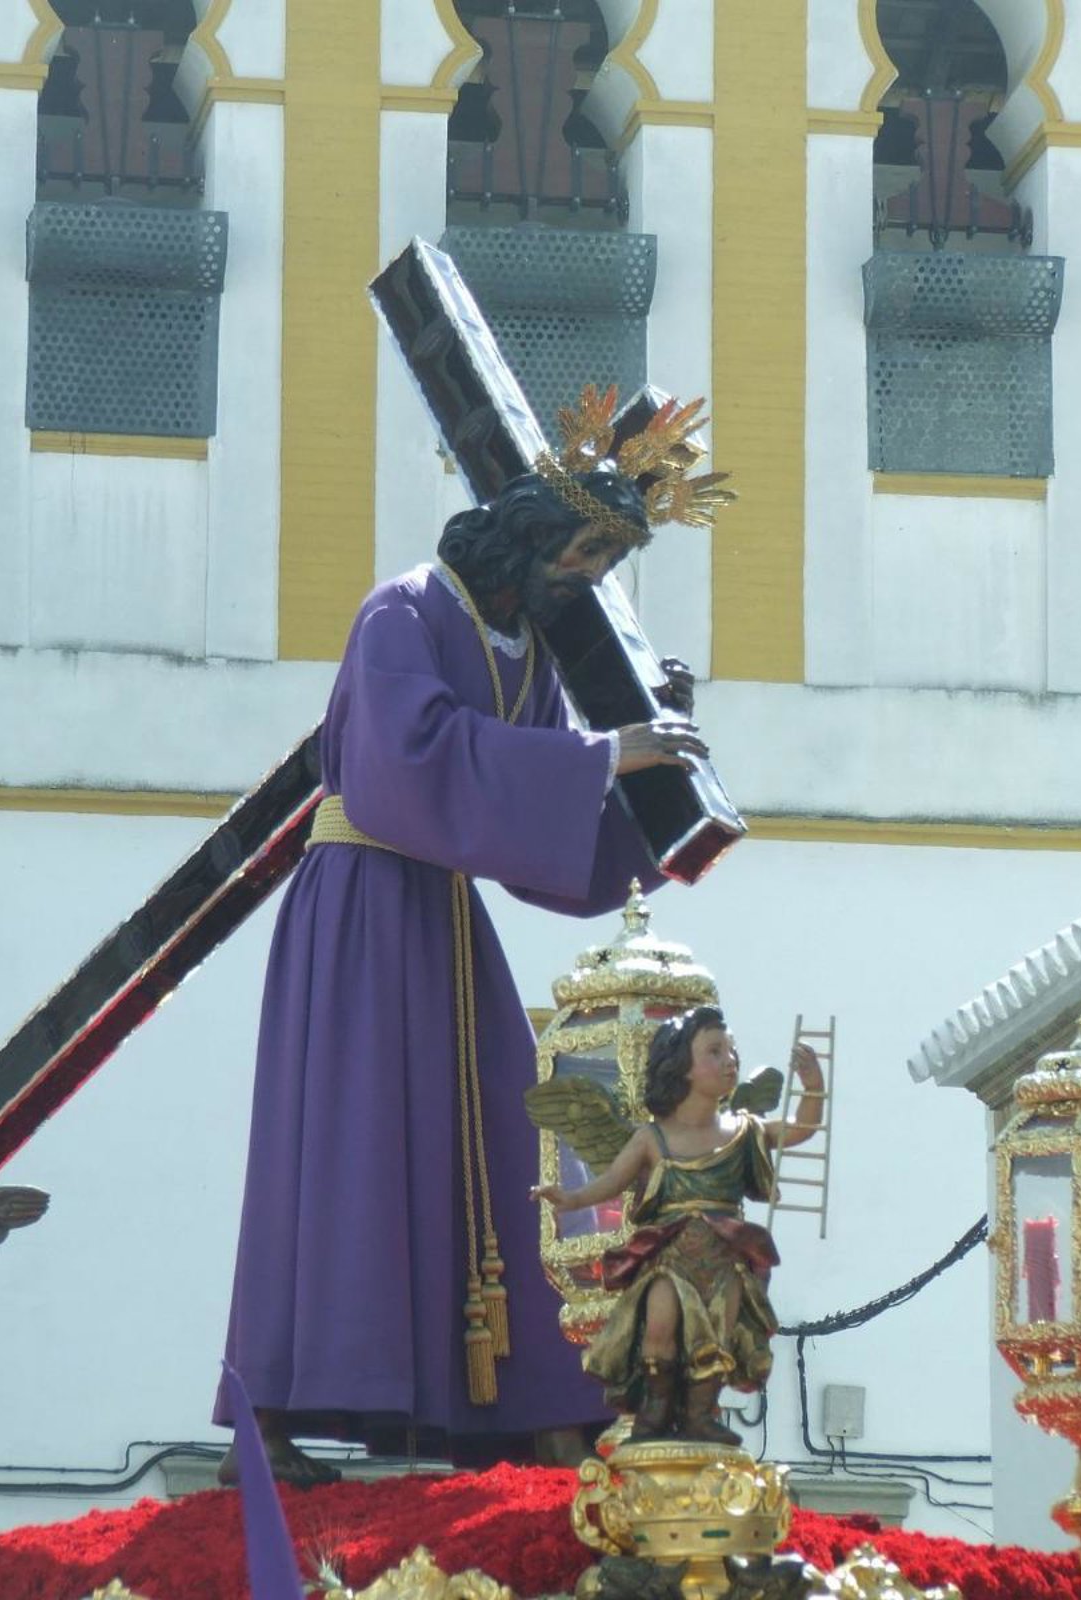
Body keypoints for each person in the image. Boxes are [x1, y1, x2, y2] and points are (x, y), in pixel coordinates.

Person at [214, 464, 711, 1485]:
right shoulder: (401, 612)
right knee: (347, 1142)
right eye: (585, 553)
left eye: (607, 562)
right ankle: (265, 1421)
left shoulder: (529, 653)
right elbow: (414, 760)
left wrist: (648, 778)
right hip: (359, 905)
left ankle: (540, 1406)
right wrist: (600, 756)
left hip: (441, 910)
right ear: (527, 537)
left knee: (502, 1131)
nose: (589, 577)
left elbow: (531, 812)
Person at [532, 1005, 825, 1444]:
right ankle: (653, 1411)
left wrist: (813, 1086)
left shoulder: (744, 1129)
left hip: (725, 1260)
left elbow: (801, 1129)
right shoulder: (653, 1137)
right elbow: (613, 1181)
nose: (730, 1060)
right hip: (669, 1257)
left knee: (717, 1337)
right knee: (659, 1327)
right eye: (714, 1051)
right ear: (682, 1067)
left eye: (731, 1050)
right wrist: (571, 1198)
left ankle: (699, 1414)